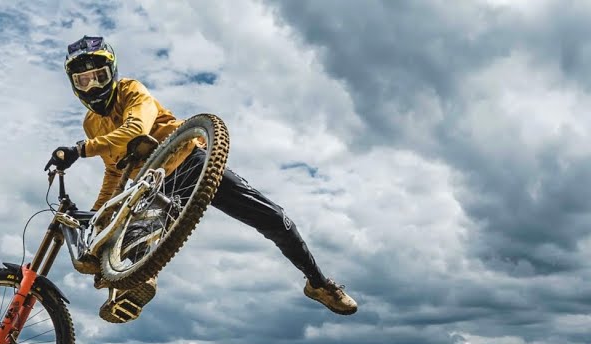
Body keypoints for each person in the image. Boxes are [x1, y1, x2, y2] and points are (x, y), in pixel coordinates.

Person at [46, 35, 358, 323]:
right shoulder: (91, 123)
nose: (92, 86)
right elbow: (114, 170)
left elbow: (135, 130)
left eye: (99, 76)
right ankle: (132, 288)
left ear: (112, 73)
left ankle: (319, 284)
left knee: (275, 219)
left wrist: (80, 150)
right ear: (74, 85)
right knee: (124, 241)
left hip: (189, 160)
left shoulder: (131, 91)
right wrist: (99, 213)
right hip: (153, 185)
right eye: (83, 80)